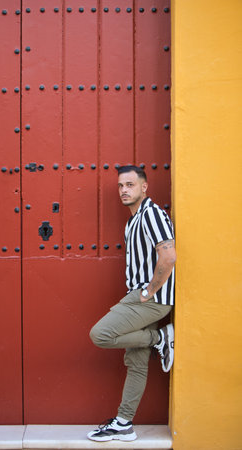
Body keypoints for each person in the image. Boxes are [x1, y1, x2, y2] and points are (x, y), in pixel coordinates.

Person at [87, 165, 176, 442]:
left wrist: (149, 292)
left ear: (144, 187)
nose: (124, 190)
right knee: (136, 363)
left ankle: (158, 337)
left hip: (149, 299)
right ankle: (124, 422)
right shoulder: (133, 221)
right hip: (142, 297)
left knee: (100, 334)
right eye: (121, 186)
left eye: (130, 185)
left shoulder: (152, 215)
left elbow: (169, 256)